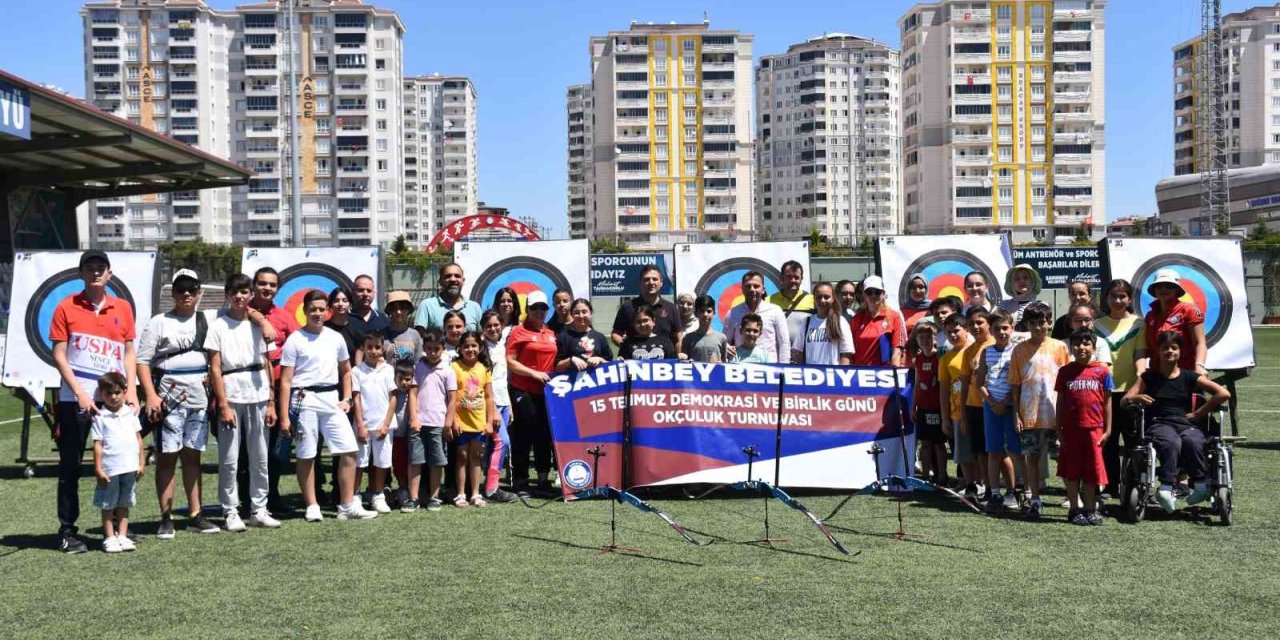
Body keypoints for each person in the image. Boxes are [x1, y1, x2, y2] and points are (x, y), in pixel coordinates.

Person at [49, 250, 139, 554]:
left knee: (120, 462)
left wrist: (132, 391)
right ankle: (68, 531)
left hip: (114, 401)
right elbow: (59, 354)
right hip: (75, 400)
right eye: (90, 268)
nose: (96, 272)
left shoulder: (123, 307)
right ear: (81, 273)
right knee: (70, 467)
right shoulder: (65, 306)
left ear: (109, 274)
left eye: (101, 268)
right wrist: (80, 393)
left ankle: (114, 530)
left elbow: (129, 351)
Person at [278, 290, 376, 522]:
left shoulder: (335, 337)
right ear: (305, 311)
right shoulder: (295, 339)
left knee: (349, 450)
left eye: (322, 309)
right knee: (307, 454)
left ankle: (347, 504)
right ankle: (312, 505)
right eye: (313, 309)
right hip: (304, 400)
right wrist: (284, 416)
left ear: (327, 311)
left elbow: (346, 370)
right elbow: (285, 381)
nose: (318, 313)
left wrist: (347, 398)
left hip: (331, 399)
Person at [136, 269, 218, 537]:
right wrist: (151, 395)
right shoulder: (159, 322)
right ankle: (166, 517)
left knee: (193, 455)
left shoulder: (207, 319)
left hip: (198, 395)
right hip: (168, 393)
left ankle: (196, 514)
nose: (186, 294)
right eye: (180, 289)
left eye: (191, 289)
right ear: (172, 293)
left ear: (199, 293)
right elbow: (143, 361)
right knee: (167, 456)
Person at [1123, 330, 1230, 513]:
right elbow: (1124, 401)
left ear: (1180, 351)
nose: (1170, 351)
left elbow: (1223, 393)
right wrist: (1137, 398)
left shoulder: (1189, 376)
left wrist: (1199, 413)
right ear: (1158, 351)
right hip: (1158, 423)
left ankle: (1200, 484)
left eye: (1174, 348)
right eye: (1165, 348)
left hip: (1185, 423)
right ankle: (1166, 487)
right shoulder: (1149, 377)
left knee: (1194, 440)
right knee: (1171, 441)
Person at [206, 273, 280, 532]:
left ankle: (259, 509)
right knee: (229, 458)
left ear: (251, 295)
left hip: (259, 394)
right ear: (228, 294)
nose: (239, 296)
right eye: (234, 292)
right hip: (232, 393)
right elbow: (215, 368)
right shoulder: (218, 326)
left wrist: (271, 401)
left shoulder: (257, 325)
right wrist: (223, 404)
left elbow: (267, 362)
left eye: (244, 292)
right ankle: (230, 510)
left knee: (260, 457)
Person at [1007, 302, 1070, 520]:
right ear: (1027, 324)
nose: (1038, 327)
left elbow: (1067, 382)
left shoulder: (1059, 347)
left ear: (1049, 322)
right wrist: (1016, 414)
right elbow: (1015, 384)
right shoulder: (1019, 349)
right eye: (1033, 323)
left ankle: (1072, 496)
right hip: (1029, 413)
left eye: (1042, 322)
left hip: (1055, 414)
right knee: (1031, 458)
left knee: (1062, 456)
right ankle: (1034, 498)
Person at [251, 266, 299, 512]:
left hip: (280, 387)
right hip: (248, 385)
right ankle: (248, 498)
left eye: (272, 285)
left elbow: (298, 343)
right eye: (262, 283)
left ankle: (273, 494)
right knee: (247, 448)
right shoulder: (240, 311)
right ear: (253, 285)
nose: (267, 288)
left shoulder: (283, 315)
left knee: (277, 448)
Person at [1055, 328, 1114, 526]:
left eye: (1086, 343)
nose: (1082, 347)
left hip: (1094, 430)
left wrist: (1108, 430)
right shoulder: (1065, 372)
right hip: (1071, 431)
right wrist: (1058, 428)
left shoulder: (1102, 371)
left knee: (1091, 472)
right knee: (1071, 472)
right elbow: (1060, 402)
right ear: (1071, 348)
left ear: (1094, 347)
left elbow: (1107, 402)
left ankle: (1090, 509)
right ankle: (1074, 509)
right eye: (1077, 344)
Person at [507, 291, 559, 498]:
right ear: (527, 309)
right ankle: (520, 481)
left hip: (546, 393)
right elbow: (510, 361)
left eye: (543, 308)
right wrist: (533, 373)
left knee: (544, 436)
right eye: (535, 308)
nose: (539, 311)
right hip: (523, 390)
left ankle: (543, 480)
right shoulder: (519, 332)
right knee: (523, 436)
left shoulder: (550, 332)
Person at [1096, 279, 1142, 496]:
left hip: (1131, 391)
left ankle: (1135, 483)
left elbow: (1140, 355)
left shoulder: (1138, 324)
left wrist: (1140, 381)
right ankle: (1110, 484)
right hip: (1104, 392)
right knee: (1108, 441)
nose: (1117, 300)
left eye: (1122, 296)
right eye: (1113, 296)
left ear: (1130, 299)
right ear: (1106, 298)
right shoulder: (1096, 325)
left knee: (1134, 441)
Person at [91, 372, 145, 553]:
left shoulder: (130, 413)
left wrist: (141, 463)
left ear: (125, 392)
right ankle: (110, 537)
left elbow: (139, 439)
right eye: (108, 393)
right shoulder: (100, 417)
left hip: (130, 467)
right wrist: (98, 468)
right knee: (108, 503)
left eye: (117, 392)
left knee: (125, 502)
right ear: (101, 394)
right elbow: (97, 445)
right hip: (110, 469)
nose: (113, 397)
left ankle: (122, 535)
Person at [405, 328, 455, 512]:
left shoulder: (448, 371)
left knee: (436, 461)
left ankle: (434, 497)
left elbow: (452, 399)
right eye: (429, 349)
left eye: (437, 349)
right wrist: (414, 418)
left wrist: (448, 423)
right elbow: (413, 393)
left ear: (443, 348)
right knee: (415, 460)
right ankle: (414, 498)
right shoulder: (418, 367)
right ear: (424, 348)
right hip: (419, 423)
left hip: (438, 423)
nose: (433, 353)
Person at [448, 331, 501, 508]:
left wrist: (489, 420)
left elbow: (489, 397)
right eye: (466, 346)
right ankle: (461, 493)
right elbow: (451, 397)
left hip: (479, 422)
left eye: (474, 346)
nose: (470, 349)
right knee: (462, 456)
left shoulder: (484, 368)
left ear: (480, 348)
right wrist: (453, 420)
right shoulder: (454, 367)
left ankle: (476, 493)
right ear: (460, 349)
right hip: (461, 422)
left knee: (476, 457)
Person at [976, 309, 1020, 513]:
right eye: (997, 329)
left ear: (1012, 328)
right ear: (991, 331)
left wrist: (1006, 401)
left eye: (1005, 328)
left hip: (1012, 406)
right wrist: (993, 402)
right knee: (993, 451)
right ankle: (994, 492)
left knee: (1013, 450)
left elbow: (1019, 383)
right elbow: (980, 383)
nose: (1002, 332)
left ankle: (1013, 491)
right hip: (991, 407)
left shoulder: (1018, 351)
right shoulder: (986, 351)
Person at [352, 333, 397, 515]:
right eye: (369, 347)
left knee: (382, 462)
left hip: (383, 426)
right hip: (363, 425)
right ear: (363, 348)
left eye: (377, 347)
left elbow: (393, 398)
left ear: (382, 349)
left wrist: (386, 424)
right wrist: (361, 425)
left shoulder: (388, 369)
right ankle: (355, 496)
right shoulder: (357, 371)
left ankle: (377, 495)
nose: (373, 351)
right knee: (359, 463)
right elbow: (356, 399)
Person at [1135, 269, 1208, 378]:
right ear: (1154, 290)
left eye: (1169, 286)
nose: (1163, 289)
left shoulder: (1189, 310)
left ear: (1177, 290)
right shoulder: (1150, 315)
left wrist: (1200, 365)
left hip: (1184, 373)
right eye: (1159, 286)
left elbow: (1200, 342)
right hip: (1157, 373)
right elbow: (1147, 347)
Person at [480, 310, 517, 504]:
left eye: (496, 325)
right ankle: (492, 488)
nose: (493, 329)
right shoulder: (481, 349)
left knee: (494, 446)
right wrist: (492, 409)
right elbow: (486, 383)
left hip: (503, 401)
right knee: (503, 442)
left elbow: (503, 380)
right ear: (482, 328)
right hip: (490, 404)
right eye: (489, 326)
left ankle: (487, 484)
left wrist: (509, 405)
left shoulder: (502, 346)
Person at [958, 306, 995, 501]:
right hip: (974, 407)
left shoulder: (998, 344)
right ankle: (987, 488)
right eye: (971, 323)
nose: (975, 326)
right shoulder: (968, 352)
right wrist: (963, 416)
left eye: (980, 322)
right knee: (980, 451)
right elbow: (964, 385)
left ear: (989, 323)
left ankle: (1005, 489)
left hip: (995, 405)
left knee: (997, 452)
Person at [938, 314, 977, 496]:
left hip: (977, 407)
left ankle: (986, 484)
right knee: (963, 452)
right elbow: (943, 390)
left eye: (956, 330)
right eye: (948, 332)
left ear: (966, 329)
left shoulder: (977, 351)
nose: (953, 335)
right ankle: (970, 485)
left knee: (983, 451)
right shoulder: (946, 358)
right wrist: (945, 418)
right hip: (957, 412)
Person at [611, 265, 682, 355]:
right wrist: (627, 346)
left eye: (655, 279)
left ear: (661, 282)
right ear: (640, 283)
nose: (651, 282)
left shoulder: (671, 308)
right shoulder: (627, 307)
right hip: (635, 363)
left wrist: (678, 357)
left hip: (664, 363)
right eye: (646, 279)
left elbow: (678, 338)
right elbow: (616, 334)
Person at [911, 321, 948, 485]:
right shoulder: (917, 358)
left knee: (939, 445)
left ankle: (942, 476)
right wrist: (913, 407)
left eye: (928, 337)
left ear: (935, 338)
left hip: (938, 408)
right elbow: (917, 384)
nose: (924, 340)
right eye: (921, 337)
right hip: (923, 408)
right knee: (925, 444)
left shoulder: (939, 357)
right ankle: (925, 478)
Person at [725, 271, 790, 363]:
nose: (752, 290)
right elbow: (724, 341)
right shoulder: (733, 313)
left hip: (770, 369)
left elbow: (784, 342)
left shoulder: (775, 311)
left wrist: (784, 368)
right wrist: (726, 348)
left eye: (756, 286)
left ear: (763, 289)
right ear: (742, 289)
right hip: (741, 367)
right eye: (748, 286)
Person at [790, 282, 853, 366]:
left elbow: (846, 354)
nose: (822, 300)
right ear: (814, 299)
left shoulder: (840, 321)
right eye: (819, 297)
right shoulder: (806, 322)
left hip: (833, 375)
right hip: (811, 375)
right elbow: (798, 352)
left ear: (833, 298)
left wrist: (841, 375)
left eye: (826, 297)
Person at [849, 275, 906, 367]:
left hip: (883, 374)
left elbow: (897, 350)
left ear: (883, 294)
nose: (873, 295)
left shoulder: (894, 316)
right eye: (869, 292)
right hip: (860, 374)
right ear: (864, 295)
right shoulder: (856, 319)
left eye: (877, 292)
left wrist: (894, 372)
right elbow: (850, 351)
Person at [415, 262, 483, 331]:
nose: (453, 279)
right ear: (440, 282)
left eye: (457, 276)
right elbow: (419, 337)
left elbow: (482, 336)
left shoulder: (474, 307)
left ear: (463, 281)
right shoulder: (427, 306)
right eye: (448, 276)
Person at [556, 299, 614, 371]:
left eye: (584, 312)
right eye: (576, 313)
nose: (581, 316)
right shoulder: (563, 337)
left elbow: (611, 365)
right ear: (571, 315)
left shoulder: (600, 337)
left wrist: (600, 359)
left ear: (591, 313)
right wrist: (571, 360)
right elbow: (556, 367)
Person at [769, 260, 815, 349]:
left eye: (796, 277)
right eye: (789, 277)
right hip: (777, 353)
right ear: (782, 278)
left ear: (801, 279)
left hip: (804, 353)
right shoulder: (769, 301)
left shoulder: (813, 300)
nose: (792, 280)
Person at [325, 287, 367, 366]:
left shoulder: (358, 323)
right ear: (330, 305)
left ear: (350, 304)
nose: (341, 304)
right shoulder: (324, 328)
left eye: (345, 301)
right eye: (336, 301)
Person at [681, 294, 728, 363]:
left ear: (714, 313)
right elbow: (684, 362)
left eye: (709, 311)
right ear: (696, 313)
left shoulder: (721, 338)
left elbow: (724, 362)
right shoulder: (688, 338)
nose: (705, 314)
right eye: (702, 311)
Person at [998, 264, 1043, 333]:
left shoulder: (1041, 306)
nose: (1021, 281)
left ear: (1033, 281)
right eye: (1017, 279)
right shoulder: (1003, 306)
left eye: (1025, 277)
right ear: (1012, 283)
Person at [382, 291, 422, 364]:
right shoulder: (382, 334)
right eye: (394, 308)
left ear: (408, 310)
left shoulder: (415, 335)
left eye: (402, 308)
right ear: (389, 311)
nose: (398, 312)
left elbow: (418, 361)